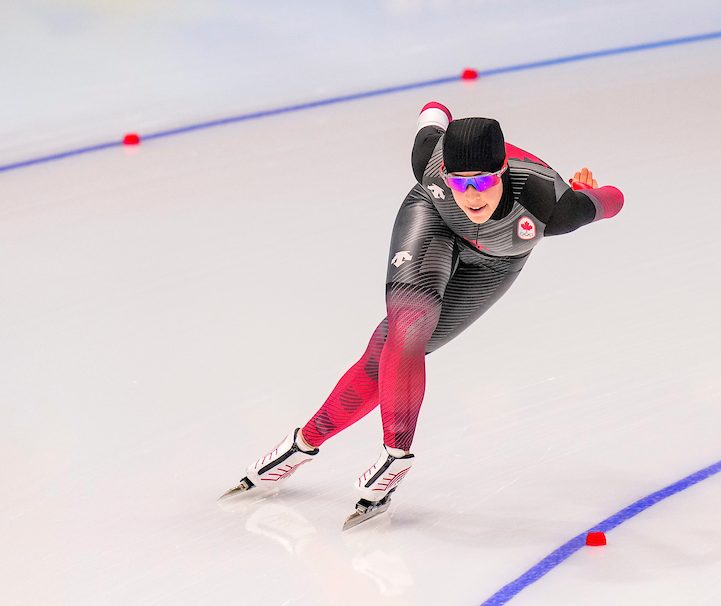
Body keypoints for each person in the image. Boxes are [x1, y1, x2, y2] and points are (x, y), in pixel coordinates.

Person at [221, 102, 625, 529]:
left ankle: (300, 445)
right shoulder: (428, 161)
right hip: (432, 221)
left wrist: (587, 192)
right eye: (459, 182)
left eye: (484, 182)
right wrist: (436, 115)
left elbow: (613, 200)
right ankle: (395, 458)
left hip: (497, 262)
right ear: (444, 173)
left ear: (504, 171)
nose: (471, 196)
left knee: (383, 357)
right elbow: (433, 113)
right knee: (407, 326)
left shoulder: (553, 205)